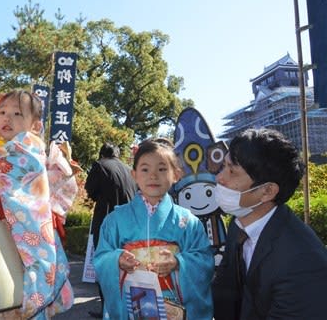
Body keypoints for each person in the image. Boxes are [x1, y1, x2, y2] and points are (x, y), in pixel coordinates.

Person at [0, 89, 76, 319]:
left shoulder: (28, 144)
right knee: (34, 263)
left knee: (37, 263)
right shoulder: (12, 146)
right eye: (2, 112)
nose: (6, 118)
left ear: (34, 125)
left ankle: (33, 302)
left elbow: (18, 165)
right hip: (25, 221)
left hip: (31, 221)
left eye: (17, 113)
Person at [212, 128, 327, 319]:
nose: (219, 178)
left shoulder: (302, 261)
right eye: (223, 166)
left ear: (267, 191)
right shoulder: (239, 225)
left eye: (232, 171)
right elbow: (226, 290)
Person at [93, 138, 215, 319]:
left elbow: (204, 261)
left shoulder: (188, 221)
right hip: (131, 303)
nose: (153, 175)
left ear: (176, 175)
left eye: (162, 169)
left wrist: (178, 262)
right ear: (134, 175)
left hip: (173, 305)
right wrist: (116, 259)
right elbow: (101, 258)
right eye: (145, 169)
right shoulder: (115, 220)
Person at [84, 142, 137, 318]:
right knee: (129, 264)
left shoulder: (100, 165)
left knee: (105, 262)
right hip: (130, 222)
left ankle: (107, 308)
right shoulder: (128, 169)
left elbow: (90, 190)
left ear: (101, 154)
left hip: (108, 220)